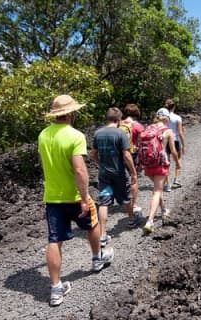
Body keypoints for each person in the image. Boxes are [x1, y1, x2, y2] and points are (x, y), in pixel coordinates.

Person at [38, 95, 114, 307]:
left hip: (52, 197)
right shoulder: (75, 135)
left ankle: (55, 289)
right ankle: (97, 258)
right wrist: (83, 198)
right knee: (92, 224)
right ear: (71, 113)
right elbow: (80, 171)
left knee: (54, 240)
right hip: (73, 196)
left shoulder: (43, 135)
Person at [91, 107, 139, 247]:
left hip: (104, 173)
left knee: (104, 201)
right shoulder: (120, 133)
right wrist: (133, 172)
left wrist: (100, 164)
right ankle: (131, 219)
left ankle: (103, 234)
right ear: (119, 120)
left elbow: (93, 154)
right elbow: (126, 155)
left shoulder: (98, 133)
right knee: (125, 197)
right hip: (119, 173)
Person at [141, 108, 181, 233]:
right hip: (160, 164)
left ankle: (163, 209)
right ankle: (150, 221)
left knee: (157, 188)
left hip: (147, 164)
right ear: (166, 118)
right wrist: (178, 163)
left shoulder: (147, 128)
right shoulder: (167, 131)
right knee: (157, 191)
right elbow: (173, 151)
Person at [121, 103, 145, 215]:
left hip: (119, 155)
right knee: (133, 178)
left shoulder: (119, 124)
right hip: (132, 154)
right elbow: (142, 143)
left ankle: (124, 200)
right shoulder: (138, 126)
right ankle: (133, 204)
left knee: (122, 178)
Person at [163, 99, 185, 192]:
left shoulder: (163, 117)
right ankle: (176, 179)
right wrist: (183, 144)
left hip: (166, 141)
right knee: (178, 159)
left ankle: (168, 185)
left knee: (166, 163)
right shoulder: (177, 117)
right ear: (174, 107)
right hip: (175, 140)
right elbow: (180, 132)